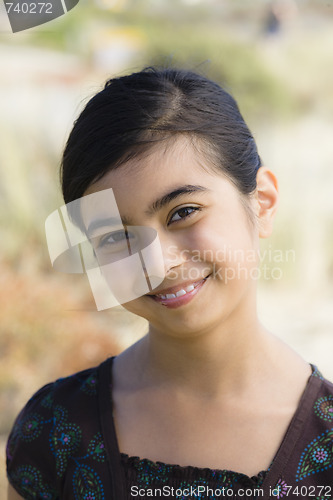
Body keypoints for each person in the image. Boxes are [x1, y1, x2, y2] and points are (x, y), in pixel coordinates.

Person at [6, 67, 333, 500]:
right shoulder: (52, 429)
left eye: (183, 212)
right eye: (115, 237)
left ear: (264, 203)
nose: (156, 263)